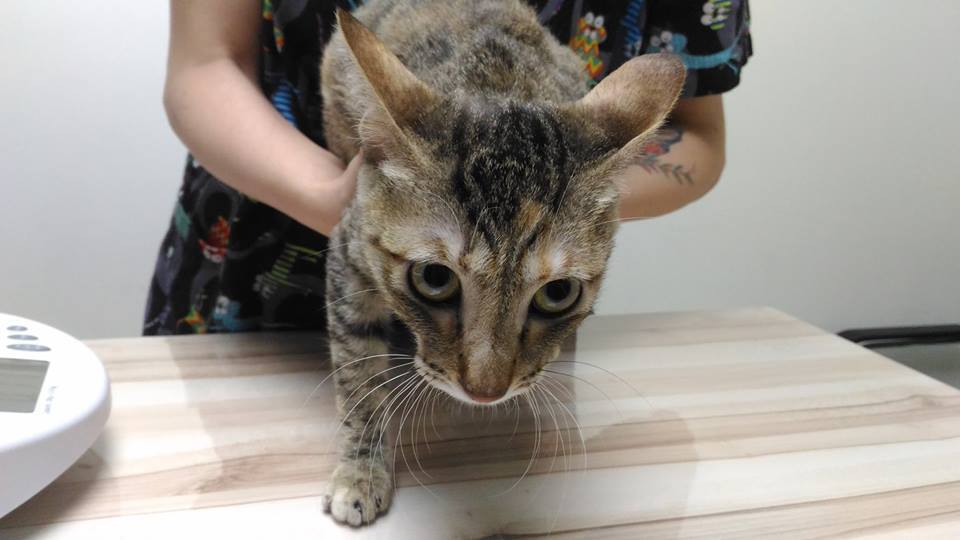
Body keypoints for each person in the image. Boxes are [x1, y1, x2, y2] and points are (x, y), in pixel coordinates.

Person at [144, 0, 752, 335]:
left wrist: (566, 209)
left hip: (521, 314)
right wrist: (337, 196)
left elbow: (696, 136)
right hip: (263, 269)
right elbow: (205, 66)